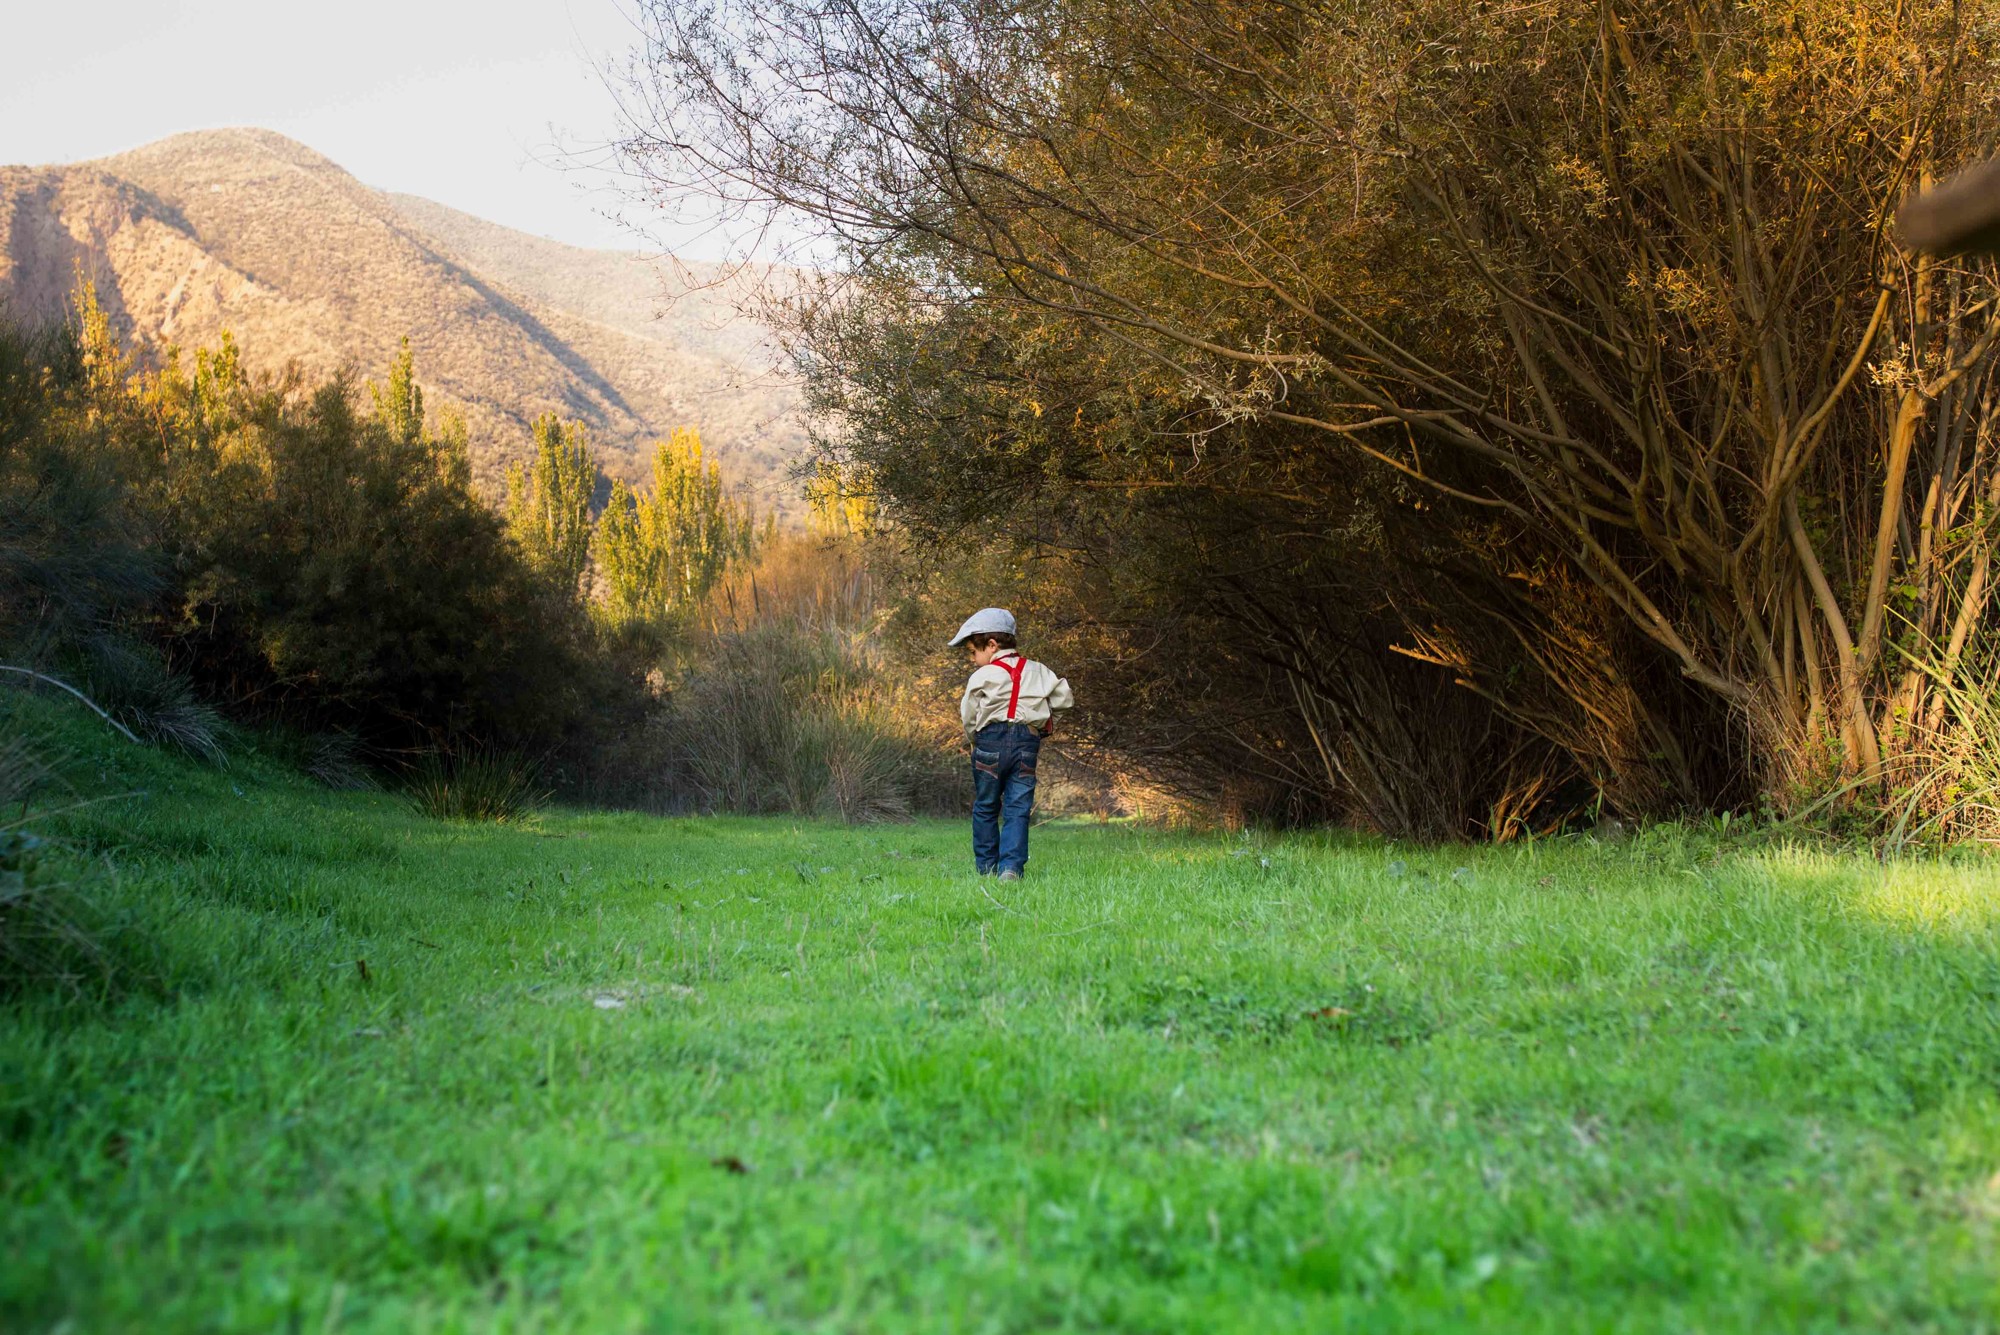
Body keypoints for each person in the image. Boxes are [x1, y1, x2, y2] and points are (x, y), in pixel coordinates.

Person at [949, 608, 1074, 880]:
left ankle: (986, 869)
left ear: (992, 645)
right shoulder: (1039, 670)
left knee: (986, 806)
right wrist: (1042, 716)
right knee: (1018, 808)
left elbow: (969, 715)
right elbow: (1065, 699)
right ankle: (1011, 869)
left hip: (989, 742)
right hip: (1027, 743)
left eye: (973, 652)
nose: (973, 659)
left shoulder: (983, 676)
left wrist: (974, 742)